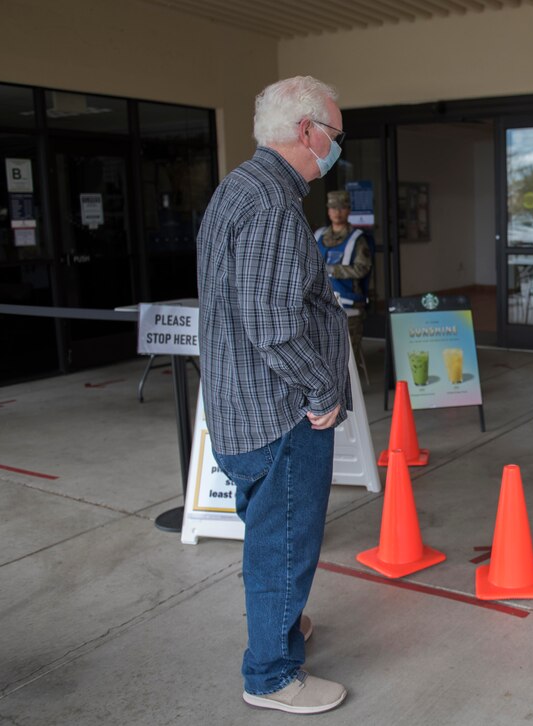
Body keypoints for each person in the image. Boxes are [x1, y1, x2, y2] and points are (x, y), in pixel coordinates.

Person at [196, 75, 351, 715]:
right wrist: (322, 391)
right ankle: (272, 675)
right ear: (307, 131)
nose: (337, 149)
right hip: (278, 412)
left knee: (269, 535)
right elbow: (272, 325)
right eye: (334, 137)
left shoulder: (240, 189)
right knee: (282, 544)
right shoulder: (271, 208)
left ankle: (280, 627)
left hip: (242, 406)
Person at [313, 190, 373, 359]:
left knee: (348, 358)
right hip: (321, 305)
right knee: (324, 356)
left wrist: (333, 270)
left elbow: (362, 269)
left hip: (350, 305)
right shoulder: (318, 235)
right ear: (328, 210)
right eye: (333, 208)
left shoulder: (357, 238)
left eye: (341, 208)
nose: (337, 212)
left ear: (348, 210)